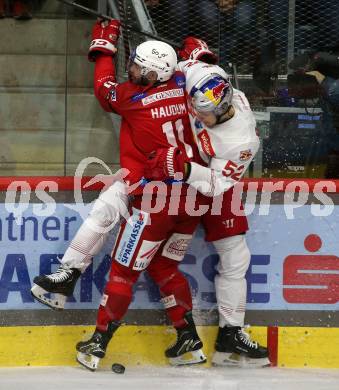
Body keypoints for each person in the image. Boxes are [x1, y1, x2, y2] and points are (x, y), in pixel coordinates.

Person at [31, 25, 269, 369]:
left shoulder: (241, 140)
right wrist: (198, 51)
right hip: (188, 202)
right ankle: (187, 336)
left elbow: (218, 184)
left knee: (123, 270)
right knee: (161, 263)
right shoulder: (193, 80)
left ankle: (97, 340)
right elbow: (196, 59)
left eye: (203, 115)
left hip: (168, 195)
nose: (196, 116)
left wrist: (103, 47)